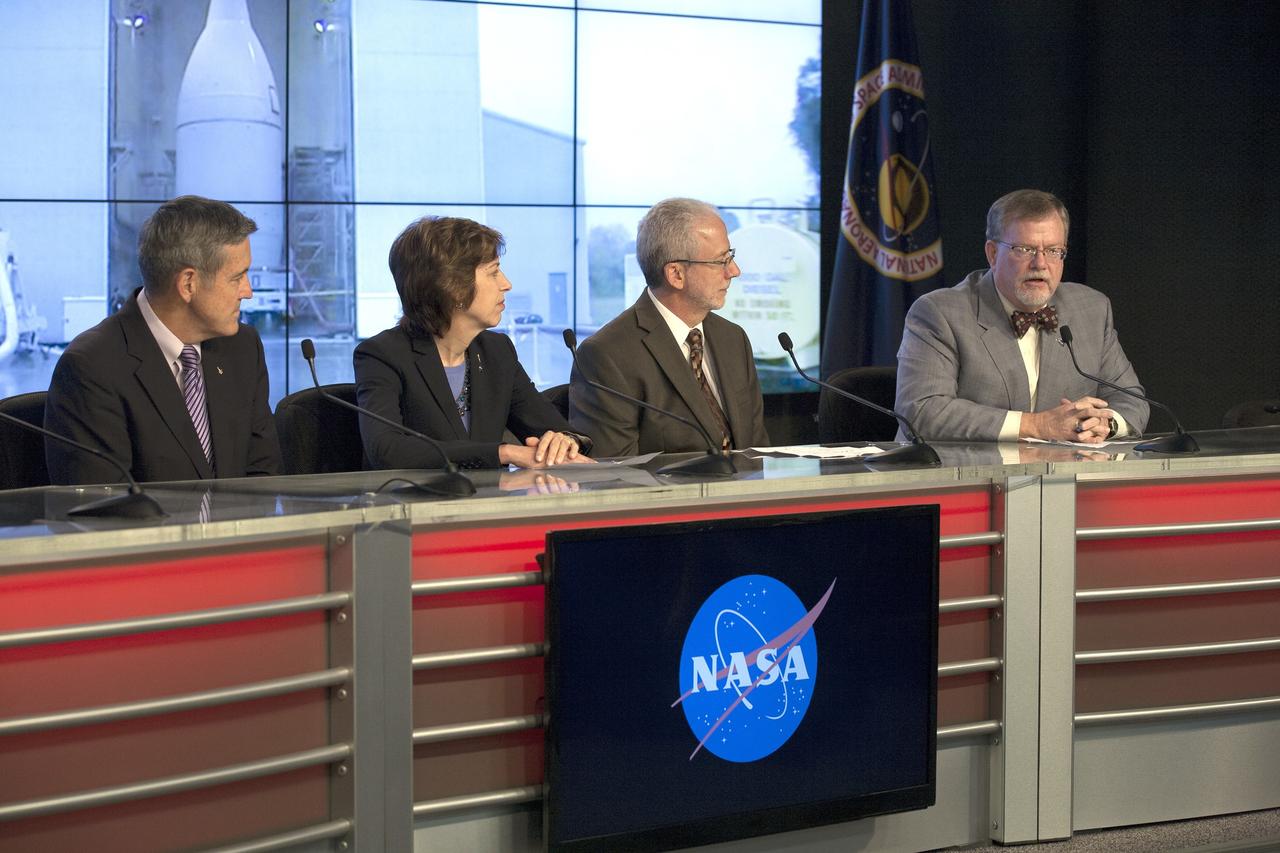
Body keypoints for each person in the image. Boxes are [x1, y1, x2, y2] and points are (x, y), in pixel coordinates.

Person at [45, 196, 281, 484]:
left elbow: (264, 476)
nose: (248, 292)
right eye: (237, 277)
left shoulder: (242, 347)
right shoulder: (92, 367)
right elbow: (102, 508)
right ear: (188, 284)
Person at [894, 189, 1149, 444]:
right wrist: (1036, 425)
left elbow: (1132, 400)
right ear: (992, 254)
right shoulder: (940, 313)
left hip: (1061, 478)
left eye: (1053, 251)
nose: (1040, 263)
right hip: (959, 476)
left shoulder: (1091, 309)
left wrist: (1106, 423)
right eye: (1025, 249)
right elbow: (923, 411)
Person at [354, 216, 593, 470]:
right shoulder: (382, 355)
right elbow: (387, 450)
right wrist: (504, 453)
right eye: (493, 273)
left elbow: (553, 428)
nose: (507, 284)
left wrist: (564, 441)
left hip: (489, 507)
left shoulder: (497, 351)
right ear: (453, 287)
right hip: (413, 506)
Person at [569, 198, 769, 456]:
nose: (734, 271)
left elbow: (758, 449)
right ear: (676, 274)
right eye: (721, 261)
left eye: (731, 256)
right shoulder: (607, 355)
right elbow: (614, 475)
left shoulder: (733, 338)